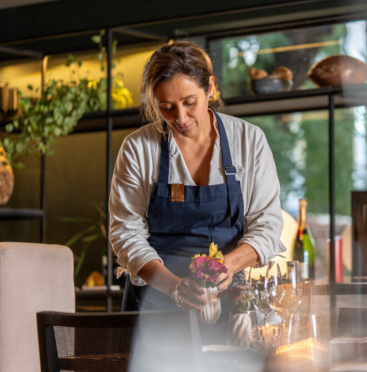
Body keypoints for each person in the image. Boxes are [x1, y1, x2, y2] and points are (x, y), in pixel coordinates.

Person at [108, 41, 286, 329]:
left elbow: (267, 225)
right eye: (166, 107)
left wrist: (226, 267)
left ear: (210, 88)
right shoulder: (138, 148)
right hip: (155, 305)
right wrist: (175, 287)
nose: (180, 118)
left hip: (229, 302)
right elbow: (126, 233)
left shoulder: (249, 141)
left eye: (189, 103)